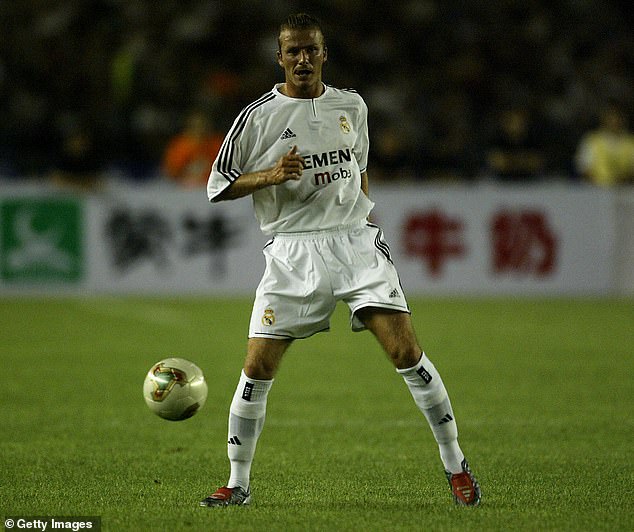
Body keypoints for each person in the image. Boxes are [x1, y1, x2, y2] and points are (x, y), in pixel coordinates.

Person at [201, 13, 480, 508]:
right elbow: (216, 185)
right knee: (257, 367)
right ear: (280, 58)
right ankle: (237, 484)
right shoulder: (258, 116)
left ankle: (457, 467)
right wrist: (268, 176)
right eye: (294, 51)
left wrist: (366, 228)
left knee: (406, 353)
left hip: (354, 244)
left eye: (312, 50)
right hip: (291, 251)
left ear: (323, 54)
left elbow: (361, 171)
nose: (303, 59)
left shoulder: (352, 106)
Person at [575, 101, 634, 186]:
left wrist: (624, 179)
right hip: (595, 191)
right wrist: (600, 183)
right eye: (611, 117)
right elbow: (584, 168)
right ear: (604, 118)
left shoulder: (630, 142)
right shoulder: (592, 140)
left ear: (623, 119)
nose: (614, 121)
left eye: (617, 117)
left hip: (624, 191)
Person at [162, 110, 224, 187]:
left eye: (202, 126)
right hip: (183, 191)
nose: (199, 129)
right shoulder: (179, 147)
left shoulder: (217, 145)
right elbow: (171, 171)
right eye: (195, 126)